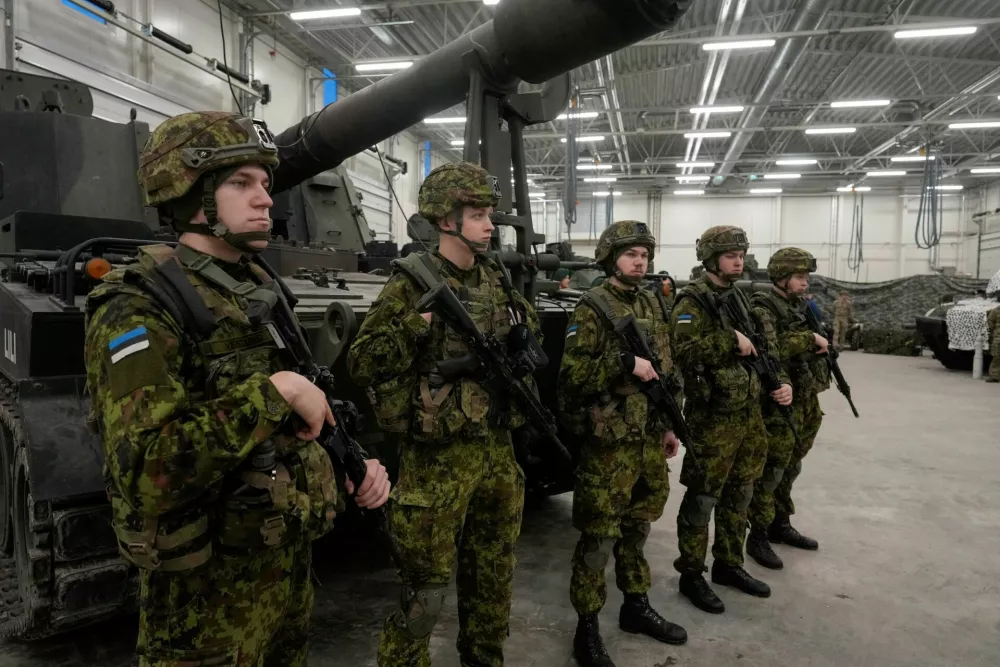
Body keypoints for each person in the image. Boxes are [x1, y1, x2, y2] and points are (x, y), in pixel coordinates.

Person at [83, 111, 391, 666]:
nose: (265, 200)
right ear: (189, 192)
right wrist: (274, 393)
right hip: (204, 602)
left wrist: (353, 462)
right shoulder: (138, 304)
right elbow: (146, 468)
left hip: (284, 568)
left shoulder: (257, 283)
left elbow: (306, 401)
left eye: (266, 185)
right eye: (240, 183)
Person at [347, 161, 542, 667]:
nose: (490, 224)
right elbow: (362, 361)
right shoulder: (412, 282)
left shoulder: (497, 278)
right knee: (425, 591)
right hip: (437, 461)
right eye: (478, 214)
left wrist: (523, 339)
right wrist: (416, 325)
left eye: (489, 215)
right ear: (446, 220)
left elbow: (527, 334)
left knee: (493, 575)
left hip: (497, 451)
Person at [558, 221, 687, 667]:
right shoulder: (592, 307)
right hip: (609, 446)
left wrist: (671, 424)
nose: (640, 261)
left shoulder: (652, 301)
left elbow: (668, 370)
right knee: (597, 541)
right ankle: (587, 628)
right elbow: (571, 381)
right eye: (631, 253)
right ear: (610, 257)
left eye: (645, 254)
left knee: (637, 532)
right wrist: (623, 364)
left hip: (649, 441)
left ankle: (635, 606)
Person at [669, 226, 792, 614]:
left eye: (740, 254)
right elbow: (680, 352)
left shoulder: (739, 297)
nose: (738, 261)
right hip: (712, 418)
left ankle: (728, 563)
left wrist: (782, 382)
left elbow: (766, 348)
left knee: (741, 492)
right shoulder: (692, 301)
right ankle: (691, 573)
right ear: (710, 259)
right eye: (729, 255)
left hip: (749, 413)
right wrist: (728, 341)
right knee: (703, 497)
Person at [746, 249, 829, 570]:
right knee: (772, 469)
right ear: (781, 277)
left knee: (792, 465)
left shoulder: (800, 306)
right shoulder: (763, 307)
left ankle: (780, 522)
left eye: (806, 277)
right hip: (779, 399)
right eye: (799, 277)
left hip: (806, 396)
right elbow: (770, 348)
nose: (805, 282)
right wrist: (809, 338)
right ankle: (758, 535)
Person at [986, 297, 1000, 383]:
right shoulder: (996, 311)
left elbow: (990, 322)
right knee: (996, 357)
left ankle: (994, 375)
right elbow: (990, 322)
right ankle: (994, 376)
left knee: (997, 357)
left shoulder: (995, 310)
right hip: (998, 338)